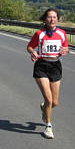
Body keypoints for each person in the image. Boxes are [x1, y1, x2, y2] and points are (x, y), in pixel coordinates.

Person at [27, 8, 69, 139]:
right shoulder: (39, 33)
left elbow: (66, 48)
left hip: (55, 66)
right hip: (41, 66)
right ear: (45, 19)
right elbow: (29, 46)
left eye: (55, 17)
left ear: (58, 19)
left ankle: (44, 107)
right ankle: (48, 126)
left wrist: (64, 51)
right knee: (49, 99)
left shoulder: (62, 33)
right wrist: (33, 52)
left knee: (54, 102)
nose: (52, 19)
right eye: (50, 17)